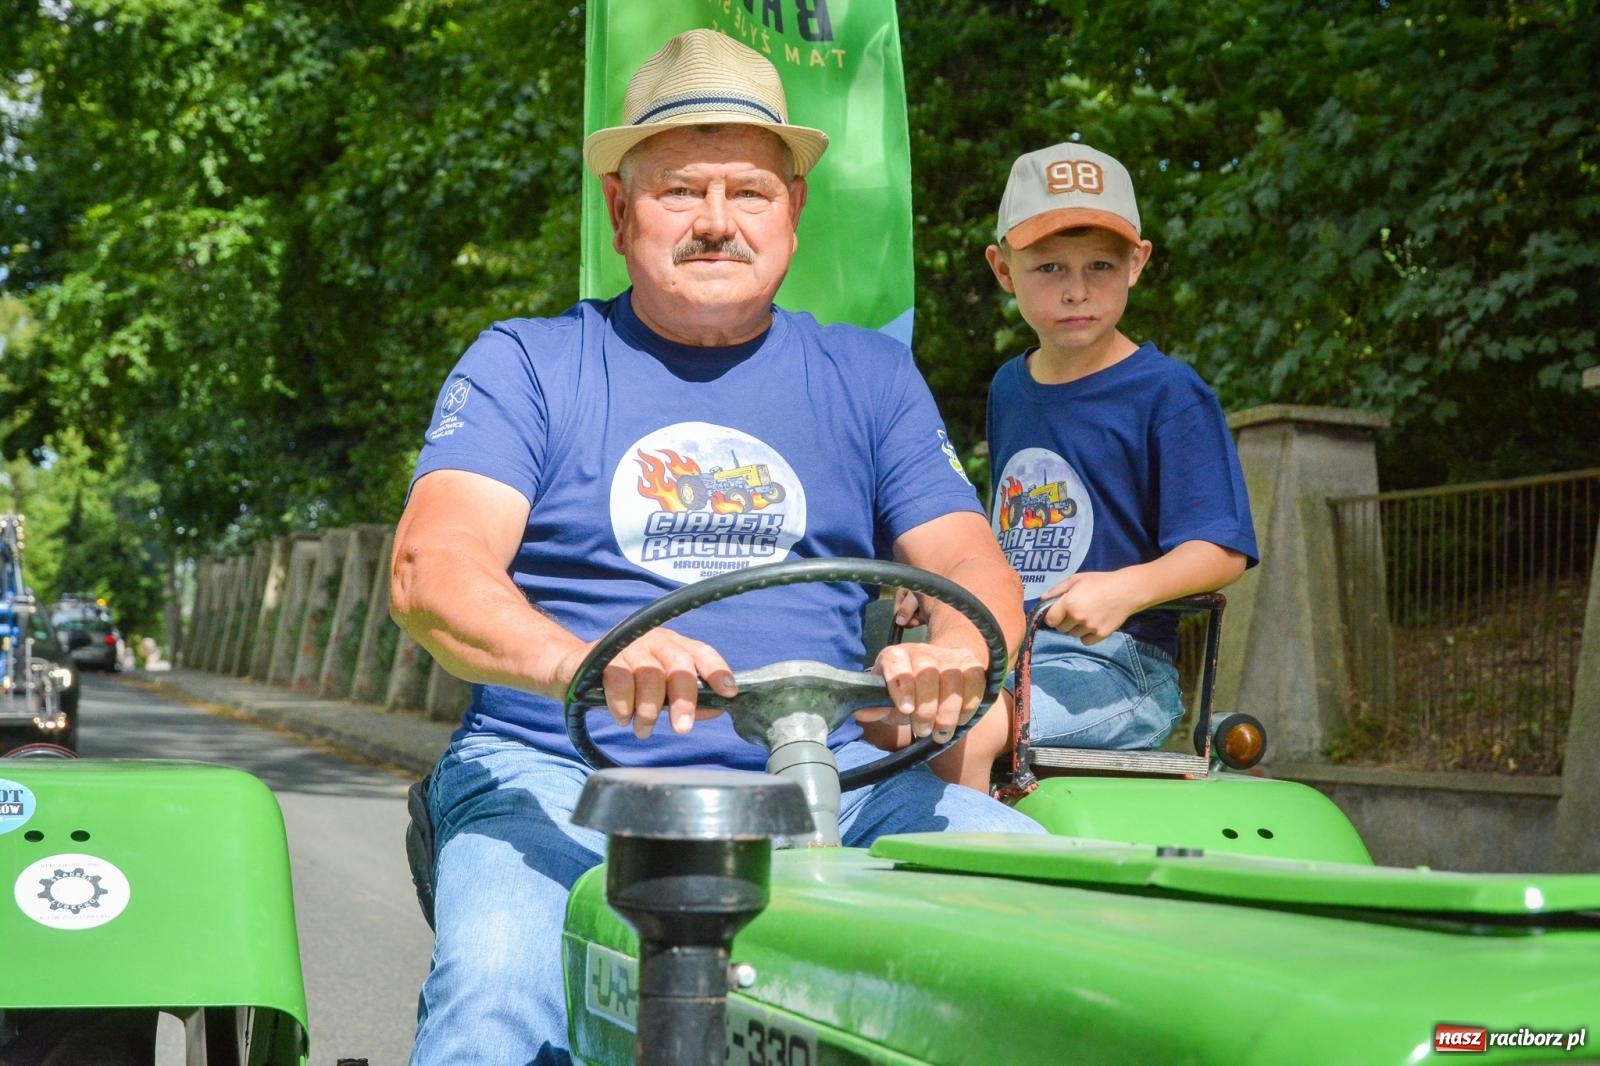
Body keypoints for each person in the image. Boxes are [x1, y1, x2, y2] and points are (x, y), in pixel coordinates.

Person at [389, 29, 1043, 1066]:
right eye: (679, 191)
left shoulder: (868, 376)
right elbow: (433, 573)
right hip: (562, 774)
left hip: (831, 782)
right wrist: (587, 666)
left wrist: (958, 649)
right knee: (494, 1005)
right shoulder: (529, 362)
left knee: (1073, 938)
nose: (714, 222)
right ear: (619, 212)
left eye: (747, 192)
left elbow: (972, 566)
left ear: (792, 212)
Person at [912, 142, 1259, 792]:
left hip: (1116, 666)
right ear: (1003, 268)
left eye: (1100, 264)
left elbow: (1222, 550)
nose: (1077, 291)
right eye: (1048, 267)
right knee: (879, 707)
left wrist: (1122, 590)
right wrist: (938, 580)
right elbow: (1003, 533)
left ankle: (968, 875)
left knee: (965, 718)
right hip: (1007, 646)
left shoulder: (1169, 394)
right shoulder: (1009, 389)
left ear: (1138, 262)